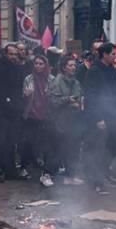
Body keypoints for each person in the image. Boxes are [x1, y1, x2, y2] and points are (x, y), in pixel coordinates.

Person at [0, 44, 28, 182]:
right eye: (11, 54)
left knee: (11, 143)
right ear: (5, 54)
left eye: (16, 54)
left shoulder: (18, 69)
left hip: (14, 112)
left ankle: (10, 170)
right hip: (0, 112)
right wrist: (5, 102)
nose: (14, 57)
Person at [83, 43, 116, 194]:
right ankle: (97, 182)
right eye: (112, 54)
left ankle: (103, 172)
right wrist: (98, 118)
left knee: (114, 145)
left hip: (112, 114)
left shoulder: (113, 71)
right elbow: (91, 97)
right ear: (104, 54)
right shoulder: (94, 71)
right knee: (98, 148)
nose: (115, 56)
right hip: (99, 116)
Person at [48, 56, 85, 185]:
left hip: (73, 120)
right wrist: (68, 100)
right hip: (60, 120)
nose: (73, 68)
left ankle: (71, 175)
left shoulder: (76, 82)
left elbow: (79, 98)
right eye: (70, 65)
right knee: (58, 149)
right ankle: (48, 174)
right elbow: (53, 101)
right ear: (64, 67)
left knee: (73, 149)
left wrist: (79, 104)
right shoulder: (57, 82)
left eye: (74, 65)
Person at [22, 54, 56, 187]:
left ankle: (46, 173)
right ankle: (25, 166)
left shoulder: (51, 79)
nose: (38, 66)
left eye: (41, 63)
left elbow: (55, 96)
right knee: (28, 141)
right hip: (31, 113)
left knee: (47, 143)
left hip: (47, 114)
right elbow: (23, 95)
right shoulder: (28, 79)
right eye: (36, 63)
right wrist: (25, 95)